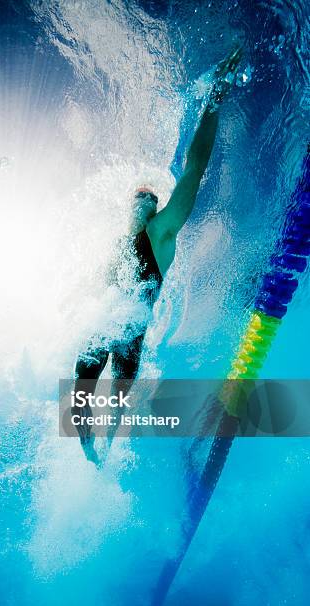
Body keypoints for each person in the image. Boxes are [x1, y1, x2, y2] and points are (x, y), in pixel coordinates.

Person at [73, 46, 243, 465]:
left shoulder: (160, 232)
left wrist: (213, 102)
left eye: (151, 196)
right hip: (104, 323)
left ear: (156, 207)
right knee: (80, 385)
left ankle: (107, 449)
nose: (144, 198)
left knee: (117, 396)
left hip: (131, 334)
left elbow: (193, 171)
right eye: (139, 194)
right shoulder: (116, 243)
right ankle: (86, 448)